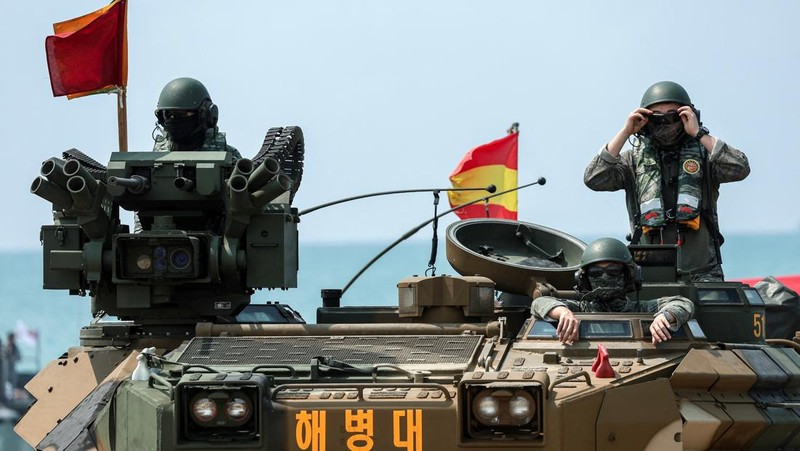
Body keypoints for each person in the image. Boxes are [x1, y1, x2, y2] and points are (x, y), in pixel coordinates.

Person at [584, 81, 750, 282]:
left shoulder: (706, 158)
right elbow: (594, 178)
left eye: (673, 116)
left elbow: (740, 168)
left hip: (702, 273)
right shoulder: (632, 162)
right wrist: (625, 132)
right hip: (648, 275)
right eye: (656, 117)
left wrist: (699, 134)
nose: (665, 123)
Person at [530, 237, 694, 344]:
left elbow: (683, 303)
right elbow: (539, 302)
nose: (605, 277)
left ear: (629, 276)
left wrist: (665, 316)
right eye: (596, 273)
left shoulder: (642, 309)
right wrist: (562, 312)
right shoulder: (580, 309)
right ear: (585, 279)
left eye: (613, 272)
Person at [152, 77, 240, 156]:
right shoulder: (151, 161)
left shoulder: (230, 158)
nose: (172, 119)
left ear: (204, 115)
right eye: (167, 114)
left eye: (180, 114)